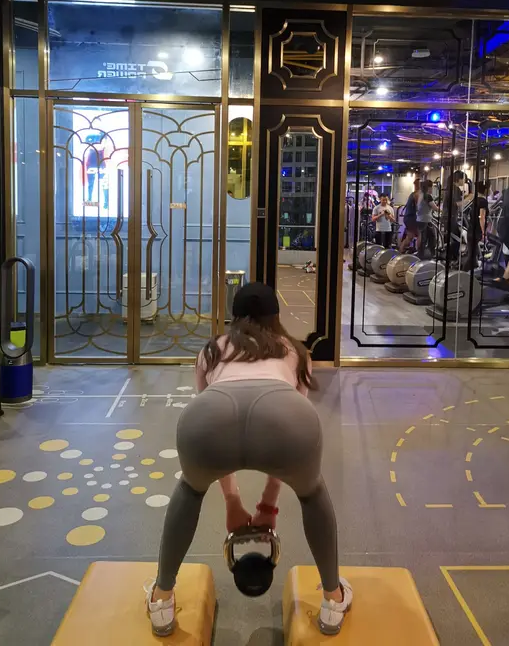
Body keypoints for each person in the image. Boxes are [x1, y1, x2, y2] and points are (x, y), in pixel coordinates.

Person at [146, 282, 353, 638]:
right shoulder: (295, 351)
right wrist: (268, 505)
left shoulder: (212, 349)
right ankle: (334, 600)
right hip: (283, 415)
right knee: (312, 493)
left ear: (234, 317)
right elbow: (288, 425)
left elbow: (215, 419)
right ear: (276, 317)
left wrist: (231, 500)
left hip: (211, 416)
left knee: (190, 490)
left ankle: (161, 598)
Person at [416, 180, 438, 259]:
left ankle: (423, 255)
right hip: (425, 221)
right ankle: (429, 255)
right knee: (430, 238)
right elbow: (435, 208)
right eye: (431, 187)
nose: (432, 189)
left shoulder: (421, 195)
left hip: (420, 220)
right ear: (429, 187)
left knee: (424, 239)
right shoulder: (428, 196)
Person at [399, 177, 420, 253]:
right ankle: (419, 253)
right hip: (411, 217)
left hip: (408, 217)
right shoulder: (417, 194)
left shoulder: (413, 194)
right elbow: (419, 207)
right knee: (420, 234)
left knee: (410, 236)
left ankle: (401, 251)